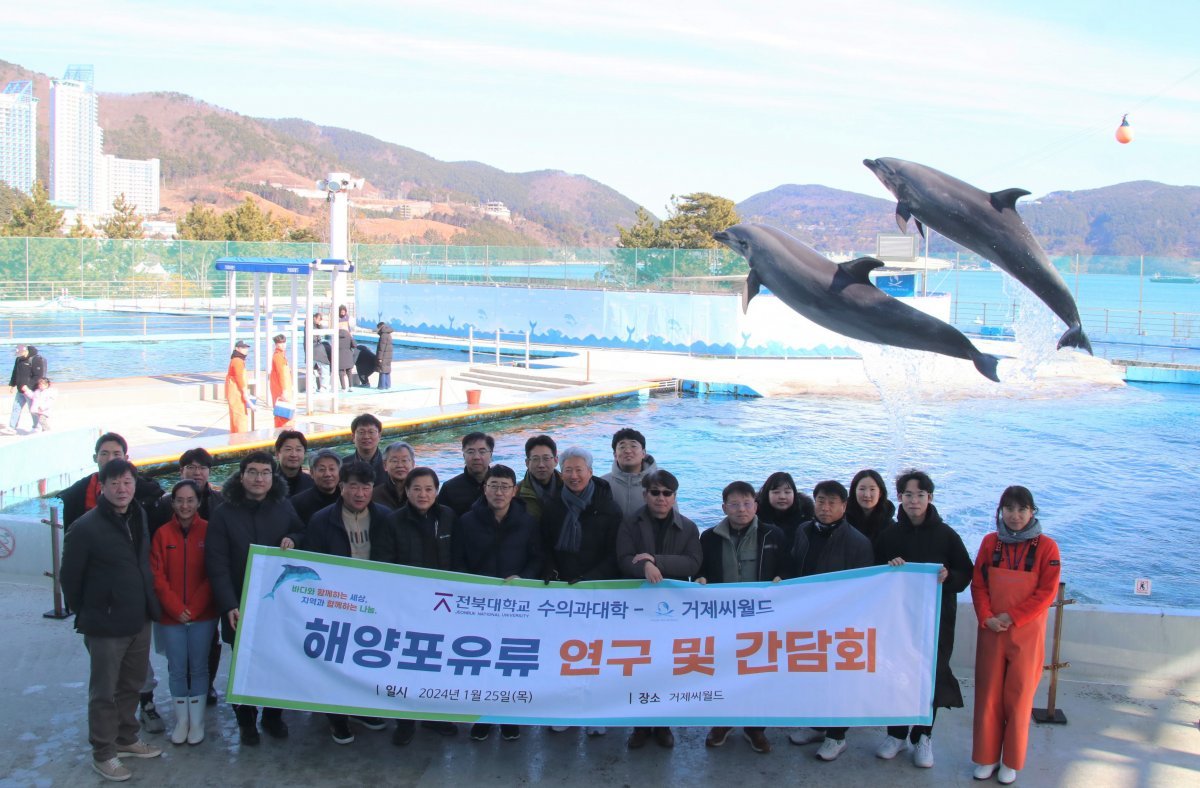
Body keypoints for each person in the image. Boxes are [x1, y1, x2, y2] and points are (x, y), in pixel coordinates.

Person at [61, 458, 164, 781]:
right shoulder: (86, 527)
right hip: (104, 623)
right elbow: (70, 578)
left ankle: (126, 737)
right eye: (115, 483)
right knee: (104, 691)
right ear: (102, 487)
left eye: (128, 482)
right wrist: (91, 612)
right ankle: (104, 752)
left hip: (138, 616)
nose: (122, 489)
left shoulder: (139, 515)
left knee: (131, 684)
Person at [873, 470, 973, 768]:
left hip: (936, 622)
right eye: (907, 495)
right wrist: (889, 568)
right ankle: (896, 735)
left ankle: (923, 736)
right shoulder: (889, 535)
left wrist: (948, 575)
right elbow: (874, 575)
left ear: (930, 498)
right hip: (899, 623)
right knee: (896, 676)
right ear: (899, 498)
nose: (913, 501)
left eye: (919, 495)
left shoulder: (947, 535)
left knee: (930, 679)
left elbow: (966, 573)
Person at [205, 452, 305, 746]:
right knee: (245, 663)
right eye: (252, 472)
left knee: (278, 659)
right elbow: (216, 562)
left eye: (265, 472)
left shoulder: (282, 505)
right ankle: (245, 717)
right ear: (241, 475)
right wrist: (228, 604)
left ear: (273, 477)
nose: (259, 478)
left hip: (276, 604)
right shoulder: (224, 512)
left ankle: (273, 715)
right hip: (239, 601)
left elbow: (301, 530)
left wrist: (294, 540)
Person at [971, 486, 1061, 785]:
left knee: (1019, 698)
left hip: (1026, 634)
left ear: (1032, 512)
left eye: (1021, 509)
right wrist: (986, 617)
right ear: (1000, 512)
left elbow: (1046, 592)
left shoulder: (1047, 547)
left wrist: (1013, 617)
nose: (1015, 515)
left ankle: (1011, 761)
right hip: (992, 631)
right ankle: (986, 758)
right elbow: (979, 584)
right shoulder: (989, 543)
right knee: (988, 697)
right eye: (1008, 509)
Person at [302, 461, 393, 745]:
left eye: (366, 487)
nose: (360, 492)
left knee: (366, 658)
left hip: (372, 602)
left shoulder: (385, 517)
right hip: (336, 602)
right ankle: (337, 717)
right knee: (334, 660)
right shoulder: (322, 520)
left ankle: (361, 709)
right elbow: (313, 565)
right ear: (341, 487)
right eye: (353, 486)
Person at [785, 480, 875, 761]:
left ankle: (837, 735)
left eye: (832, 503)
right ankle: (817, 725)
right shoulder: (803, 531)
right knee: (812, 675)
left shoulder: (858, 542)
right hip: (807, 617)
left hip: (840, 623)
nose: (825, 508)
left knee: (839, 678)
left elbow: (864, 589)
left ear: (844, 506)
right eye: (821, 501)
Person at [697, 480, 787, 755]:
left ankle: (755, 728)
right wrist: (699, 579)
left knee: (758, 672)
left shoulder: (774, 535)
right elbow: (701, 570)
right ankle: (722, 723)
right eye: (734, 504)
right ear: (724, 507)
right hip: (723, 619)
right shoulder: (709, 537)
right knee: (722, 670)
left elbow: (788, 568)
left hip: (762, 618)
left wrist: (782, 579)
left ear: (756, 505)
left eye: (747, 503)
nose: (741, 509)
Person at [452, 465, 541, 743]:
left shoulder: (528, 523)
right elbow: (457, 560)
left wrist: (523, 579)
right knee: (480, 663)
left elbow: (539, 559)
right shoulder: (467, 521)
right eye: (494, 485)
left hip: (516, 606)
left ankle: (509, 716)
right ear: (484, 489)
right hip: (478, 605)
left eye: (505, 486)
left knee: (510, 664)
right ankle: (483, 716)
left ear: (514, 491)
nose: (499, 492)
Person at [616, 469, 701, 751]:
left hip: (672, 610)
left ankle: (663, 724)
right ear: (645, 494)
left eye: (667, 493)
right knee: (640, 667)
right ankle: (640, 726)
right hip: (639, 607)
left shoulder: (688, 527)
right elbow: (622, 559)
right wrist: (643, 566)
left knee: (667, 666)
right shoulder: (630, 522)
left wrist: (655, 561)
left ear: (675, 497)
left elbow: (693, 564)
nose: (661, 498)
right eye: (655, 493)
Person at [373, 466, 459, 744]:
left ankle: (435, 715)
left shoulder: (448, 517)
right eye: (417, 489)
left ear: (437, 490)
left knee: (438, 661)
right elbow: (384, 562)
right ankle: (405, 721)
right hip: (406, 605)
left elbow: (458, 560)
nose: (423, 494)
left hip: (442, 606)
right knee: (406, 664)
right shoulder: (392, 521)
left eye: (429, 489)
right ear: (407, 491)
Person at [150, 480, 217, 746]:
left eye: (191, 500)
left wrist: (195, 607)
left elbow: (214, 573)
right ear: (173, 502)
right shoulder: (162, 534)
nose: (185, 505)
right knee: (177, 668)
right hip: (171, 616)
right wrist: (176, 609)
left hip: (203, 614)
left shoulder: (210, 531)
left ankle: (197, 721)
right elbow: (157, 575)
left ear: (198, 502)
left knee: (199, 667)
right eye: (180, 500)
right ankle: (182, 720)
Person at [61, 433, 166, 534]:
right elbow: (70, 535)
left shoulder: (148, 492)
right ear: (95, 458)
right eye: (104, 454)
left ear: (126, 458)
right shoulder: (76, 494)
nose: (110, 459)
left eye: (116, 454)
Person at [151, 448, 226, 531]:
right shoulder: (165, 503)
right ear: (181, 471)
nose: (197, 472)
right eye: (191, 467)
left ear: (210, 471)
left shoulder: (221, 500)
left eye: (203, 467)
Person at [602, 428, 660, 519]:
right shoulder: (602, 484)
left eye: (633, 446)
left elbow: (673, 519)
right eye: (622, 447)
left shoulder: (660, 482)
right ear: (615, 455)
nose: (628, 451)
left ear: (643, 453)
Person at [437, 432, 493, 516]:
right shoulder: (449, 488)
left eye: (482, 452)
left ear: (491, 455)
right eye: (470, 452)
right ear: (463, 456)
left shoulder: (501, 486)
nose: (476, 457)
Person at [754, 471, 814, 546]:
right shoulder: (755, 517)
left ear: (794, 494)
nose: (782, 497)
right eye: (776, 492)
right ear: (767, 494)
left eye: (787, 492)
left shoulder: (805, 516)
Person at [290, 449, 342, 525]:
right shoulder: (298, 503)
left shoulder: (348, 498)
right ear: (311, 473)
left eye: (332, 469)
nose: (327, 474)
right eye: (322, 469)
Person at [518, 434, 560, 526]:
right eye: (535, 459)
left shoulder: (568, 485)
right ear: (527, 463)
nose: (541, 464)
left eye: (546, 458)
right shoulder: (516, 492)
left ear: (556, 460)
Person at [845, 469, 895, 543]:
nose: (867, 495)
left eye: (872, 489)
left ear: (880, 493)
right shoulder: (843, 520)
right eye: (862, 489)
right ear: (854, 491)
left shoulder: (889, 526)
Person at [372, 441, 415, 509]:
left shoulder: (419, 493)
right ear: (385, 465)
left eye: (404, 460)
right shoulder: (374, 495)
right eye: (394, 461)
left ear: (413, 464)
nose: (400, 465)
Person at [274, 430, 315, 497]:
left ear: (304, 453)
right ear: (277, 454)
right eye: (288, 449)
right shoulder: (267, 483)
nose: (294, 454)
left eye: (298, 450)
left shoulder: (312, 483)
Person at [225, 340, 251, 433]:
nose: (246, 350)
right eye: (243, 348)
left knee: (236, 416)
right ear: (237, 349)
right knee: (240, 416)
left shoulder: (237, 360)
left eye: (246, 348)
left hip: (236, 393)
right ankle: (241, 438)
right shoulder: (237, 361)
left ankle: (236, 435)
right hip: (237, 393)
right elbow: (239, 377)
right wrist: (244, 392)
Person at [350, 413, 385, 479]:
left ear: (379, 436)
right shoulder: (343, 464)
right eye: (361, 432)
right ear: (353, 437)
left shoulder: (389, 464)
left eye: (371, 432)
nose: (366, 437)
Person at [269, 334, 293, 428]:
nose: (283, 345)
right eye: (280, 343)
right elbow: (281, 374)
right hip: (280, 389)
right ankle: (282, 431)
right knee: (283, 412)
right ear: (276, 345)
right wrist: (284, 391)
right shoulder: (278, 357)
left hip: (284, 387)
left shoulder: (281, 356)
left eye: (284, 343)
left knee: (284, 411)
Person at [7, 344, 33, 432]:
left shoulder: (32, 360)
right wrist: (12, 384)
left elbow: (36, 375)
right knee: (16, 408)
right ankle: (12, 427)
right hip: (19, 390)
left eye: (20, 353)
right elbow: (15, 372)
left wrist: (30, 387)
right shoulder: (18, 360)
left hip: (29, 390)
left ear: (25, 351)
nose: (19, 355)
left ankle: (38, 426)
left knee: (32, 409)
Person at [310, 312, 331, 393]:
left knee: (312, 369)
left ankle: (313, 387)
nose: (320, 321)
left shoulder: (313, 326)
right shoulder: (312, 327)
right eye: (319, 319)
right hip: (317, 350)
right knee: (325, 367)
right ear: (314, 318)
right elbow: (317, 337)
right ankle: (324, 387)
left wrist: (319, 326)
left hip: (313, 351)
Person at [337, 318, 357, 392]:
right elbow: (355, 345)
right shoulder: (349, 336)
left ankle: (343, 388)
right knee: (349, 372)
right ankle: (351, 386)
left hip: (339, 356)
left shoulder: (335, 336)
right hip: (348, 355)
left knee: (341, 373)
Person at [375, 322, 394, 390]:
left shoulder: (383, 335)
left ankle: (381, 386)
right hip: (388, 356)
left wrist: (379, 358)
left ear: (380, 327)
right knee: (387, 370)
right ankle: (387, 385)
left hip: (384, 356)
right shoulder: (388, 334)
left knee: (382, 370)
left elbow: (381, 348)